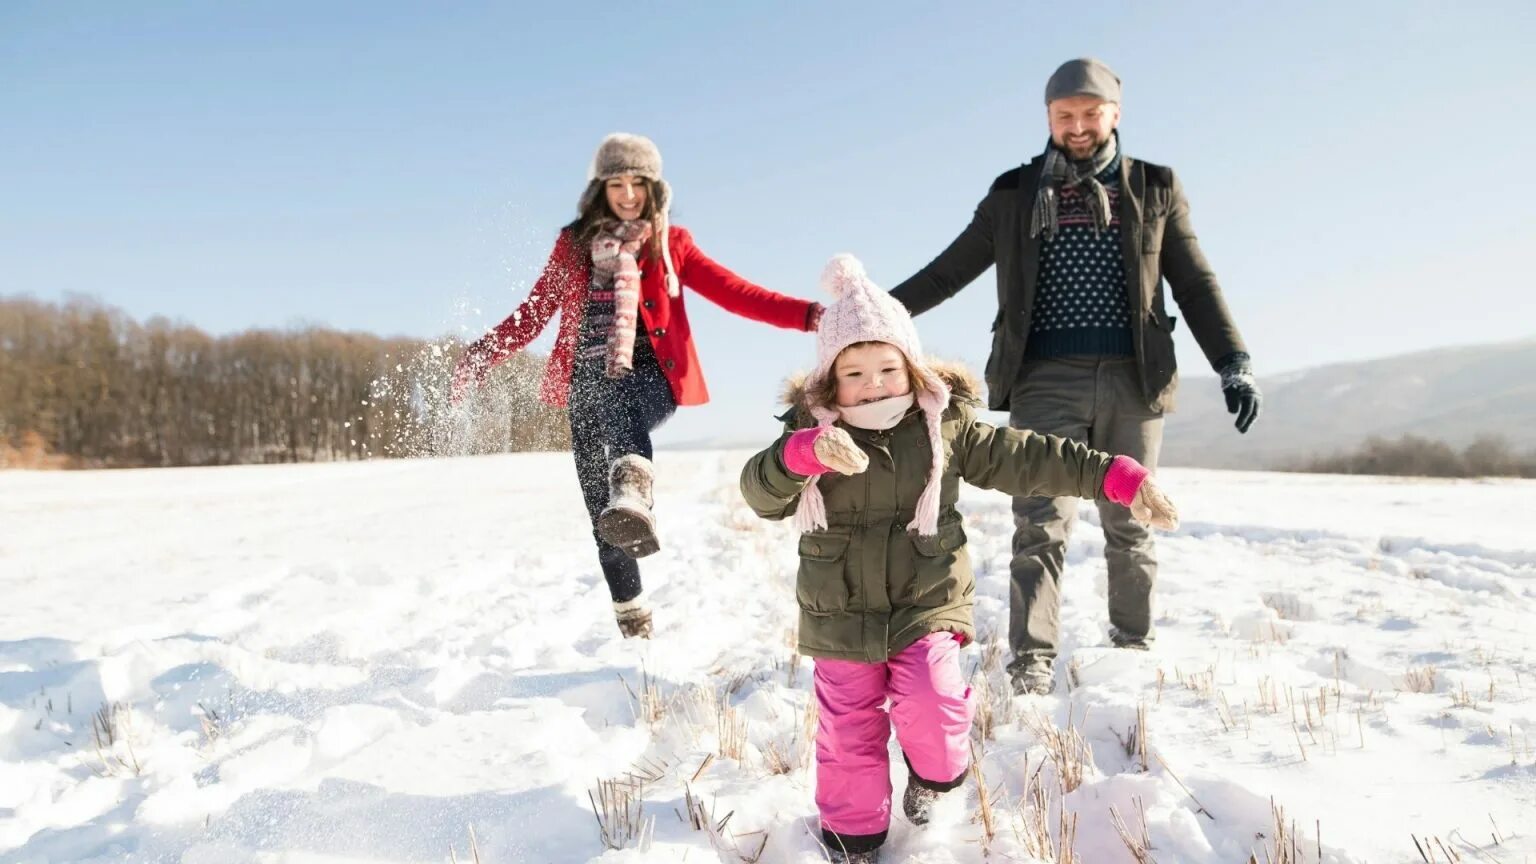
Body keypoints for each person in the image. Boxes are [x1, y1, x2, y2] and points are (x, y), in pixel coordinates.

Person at [739, 255, 1177, 863]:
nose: (873, 383)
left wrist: (1119, 476)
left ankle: (935, 778)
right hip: (838, 610)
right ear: (827, 381)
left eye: (888, 368)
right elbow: (759, 492)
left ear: (911, 368)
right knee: (847, 735)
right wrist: (800, 456)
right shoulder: (810, 434)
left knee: (932, 699)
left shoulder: (943, 427)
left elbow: (1031, 456)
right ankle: (853, 838)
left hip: (927, 596)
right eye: (855, 372)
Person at [888, 58, 1262, 694]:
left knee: (1133, 516)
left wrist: (1233, 360)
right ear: (1048, 118)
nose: (1079, 126)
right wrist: (871, 316)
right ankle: (1032, 661)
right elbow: (947, 273)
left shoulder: (1154, 187)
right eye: (1066, 116)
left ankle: (1133, 644)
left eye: (1092, 114)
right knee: (1040, 519)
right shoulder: (1013, 195)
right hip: (1043, 379)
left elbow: (1195, 281)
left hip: (1134, 379)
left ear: (1116, 113)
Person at [452, 133, 822, 638]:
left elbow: (735, 292)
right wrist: (480, 355)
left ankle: (634, 487)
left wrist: (808, 315)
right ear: (600, 189)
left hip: (650, 377)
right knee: (604, 514)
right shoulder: (573, 245)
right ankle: (632, 616)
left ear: (654, 188)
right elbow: (536, 312)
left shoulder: (671, 244)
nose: (628, 194)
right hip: (583, 382)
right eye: (617, 183)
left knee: (620, 408)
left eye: (638, 183)